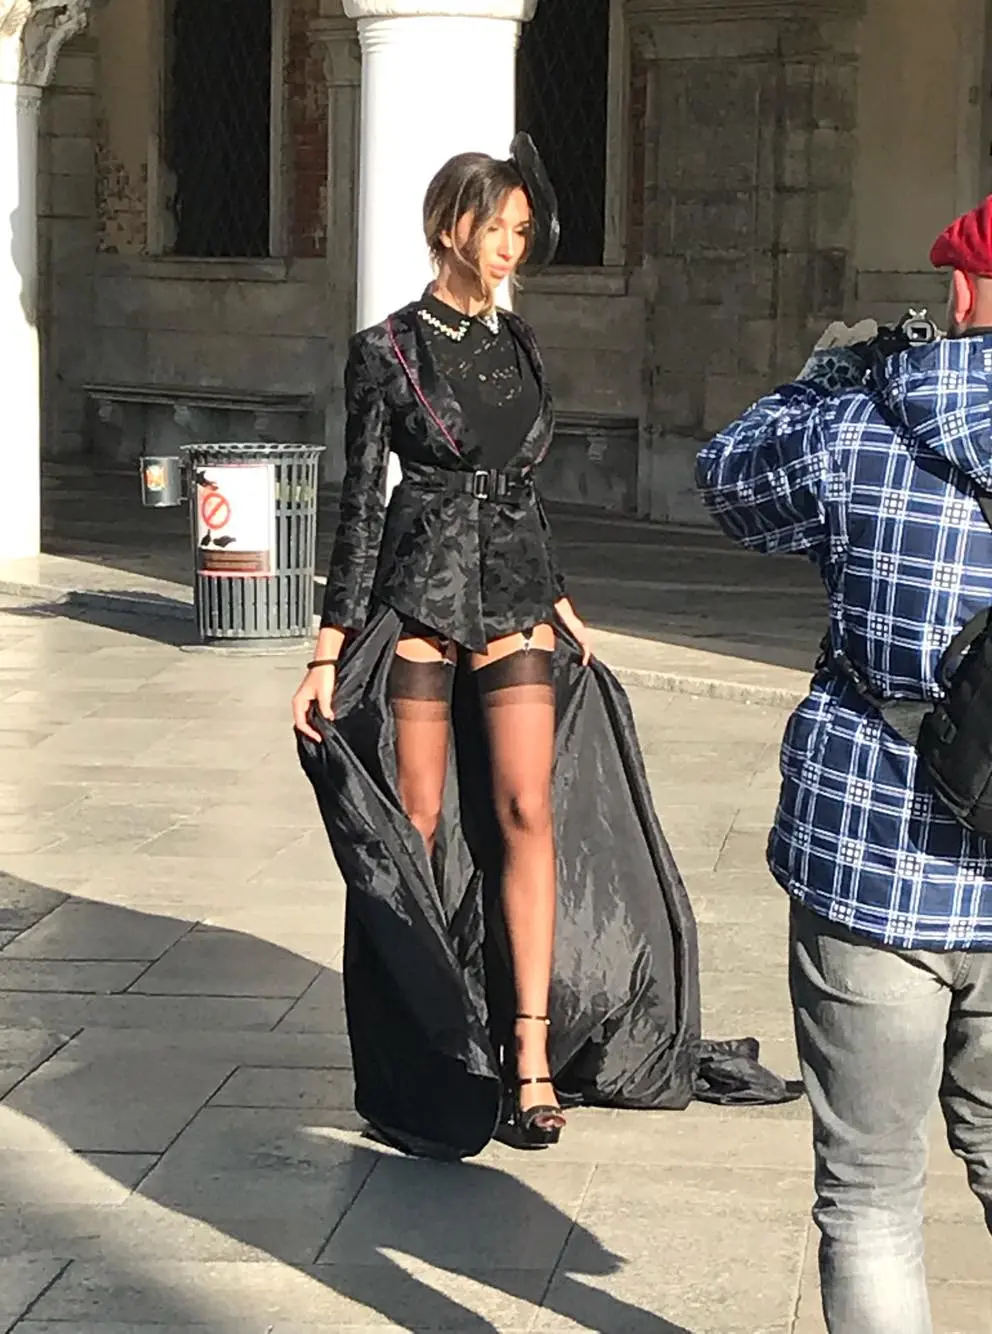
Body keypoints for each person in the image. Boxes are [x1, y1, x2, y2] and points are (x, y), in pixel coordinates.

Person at [294, 139, 799, 1163]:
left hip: (516, 591)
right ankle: (437, 1048)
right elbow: (362, 504)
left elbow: (518, 485)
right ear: (450, 227)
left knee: (528, 808)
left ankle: (527, 1056)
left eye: (522, 230)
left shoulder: (518, 339)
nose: (511, 246)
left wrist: (561, 592)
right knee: (420, 823)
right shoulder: (383, 349)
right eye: (497, 228)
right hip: (420, 592)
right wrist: (326, 643)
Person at [696, 198, 992, 1333]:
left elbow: (728, 482)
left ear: (963, 296)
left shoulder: (866, 419)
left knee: (869, 1198)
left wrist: (821, 378)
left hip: (875, 851)